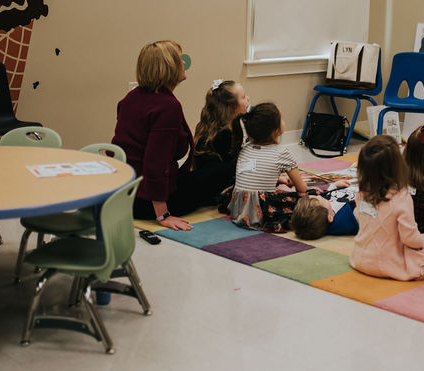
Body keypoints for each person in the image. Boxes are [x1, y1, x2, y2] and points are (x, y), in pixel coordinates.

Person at [349, 135, 424, 281]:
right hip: (390, 264)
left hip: (360, 259)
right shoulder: (401, 198)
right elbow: (410, 239)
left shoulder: (361, 193)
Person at [112, 40, 194, 231]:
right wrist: (163, 215)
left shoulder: (132, 97)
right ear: (169, 67)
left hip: (123, 193)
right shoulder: (167, 106)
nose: (183, 62)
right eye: (179, 59)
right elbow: (156, 163)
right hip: (146, 200)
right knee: (218, 175)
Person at [168, 79, 250, 216]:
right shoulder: (225, 134)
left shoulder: (208, 127)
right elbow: (236, 170)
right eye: (243, 97)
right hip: (209, 192)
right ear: (231, 107)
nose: (248, 98)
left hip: (203, 184)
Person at [226, 102, 308, 232]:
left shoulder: (245, 148)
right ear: (276, 130)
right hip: (262, 212)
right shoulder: (282, 153)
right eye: (282, 119)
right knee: (311, 197)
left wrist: (279, 180)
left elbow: (254, 174)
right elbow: (302, 189)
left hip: (239, 208)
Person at [289, 179, 359, 240]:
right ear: (330, 218)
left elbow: (328, 195)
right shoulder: (347, 216)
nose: (319, 196)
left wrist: (334, 186)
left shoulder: (325, 209)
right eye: (322, 199)